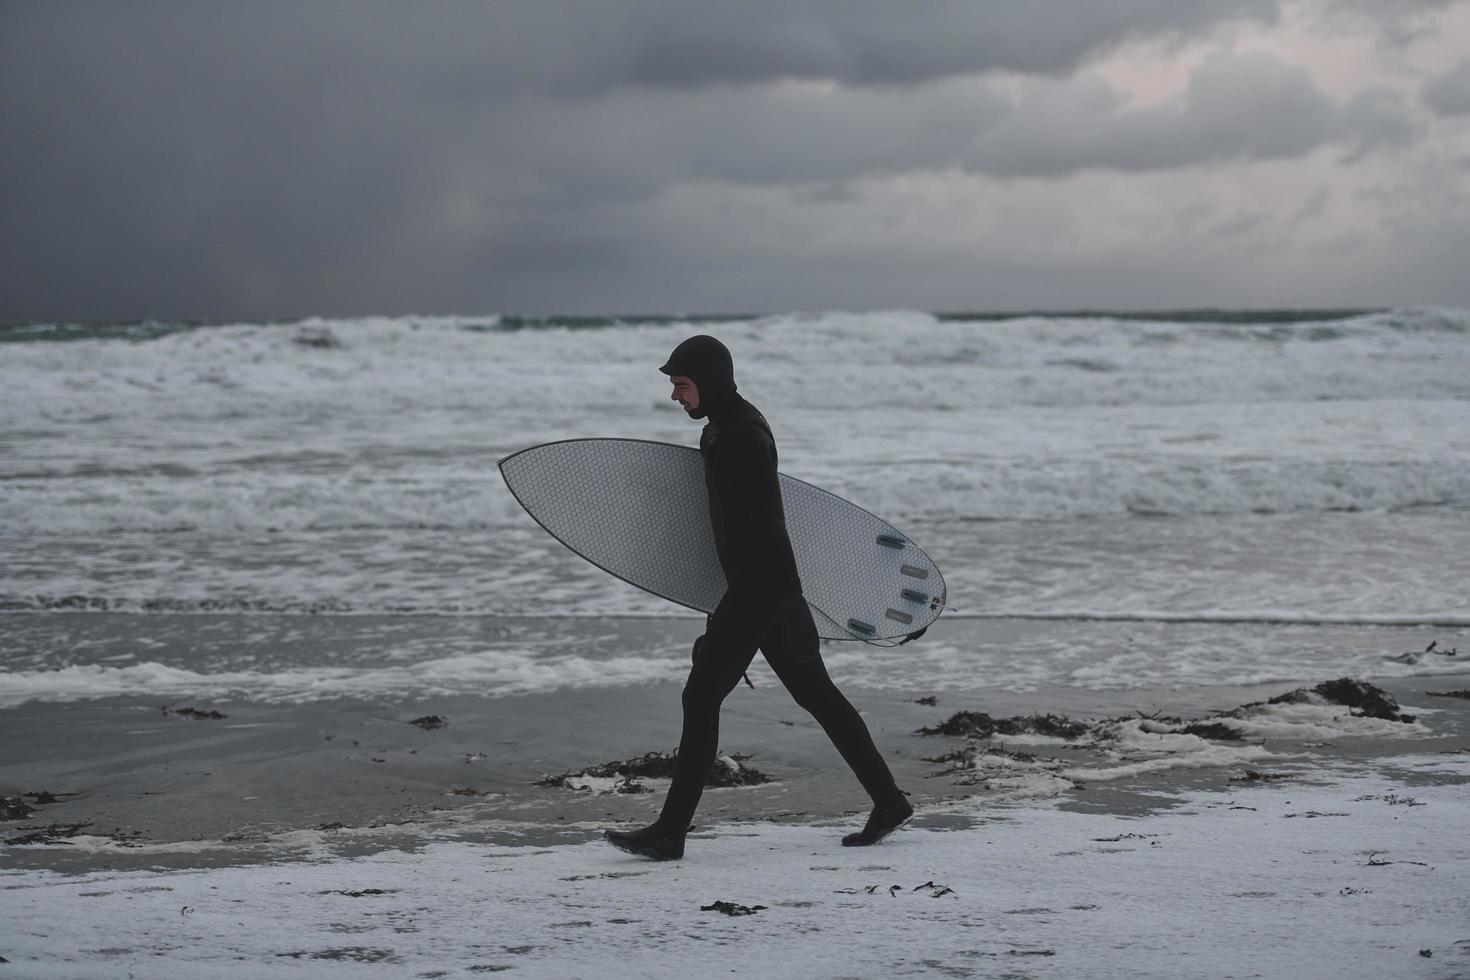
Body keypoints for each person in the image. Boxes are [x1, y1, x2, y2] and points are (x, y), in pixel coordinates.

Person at [604, 335, 913, 861]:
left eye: (682, 386)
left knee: (700, 698)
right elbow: (731, 534)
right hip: (766, 593)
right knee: (819, 699)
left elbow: (763, 536)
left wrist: (732, 619)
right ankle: (888, 801)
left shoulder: (741, 437)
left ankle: (670, 833)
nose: (676, 396)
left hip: (760, 592)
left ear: (709, 383)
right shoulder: (723, 429)